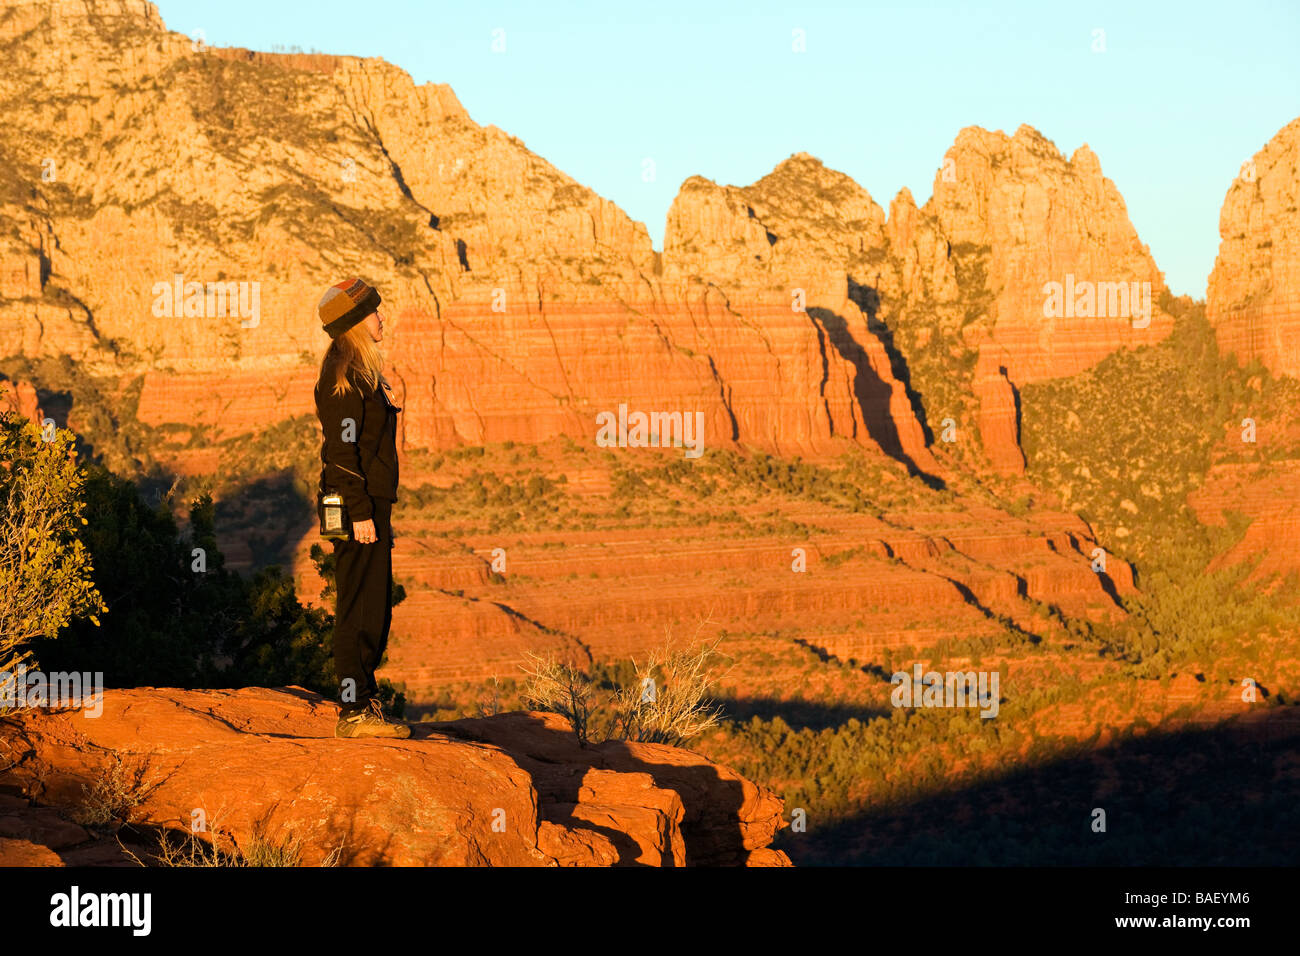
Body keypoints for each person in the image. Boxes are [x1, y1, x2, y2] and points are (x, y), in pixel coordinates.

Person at [313, 277, 410, 739]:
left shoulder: (361, 374)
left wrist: (392, 407)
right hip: (356, 504)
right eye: (375, 312)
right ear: (354, 322)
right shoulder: (344, 379)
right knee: (359, 605)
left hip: (365, 500)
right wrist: (362, 513)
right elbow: (341, 454)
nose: (381, 318)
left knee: (373, 604)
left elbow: (363, 442)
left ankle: (362, 699)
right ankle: (353, 710)